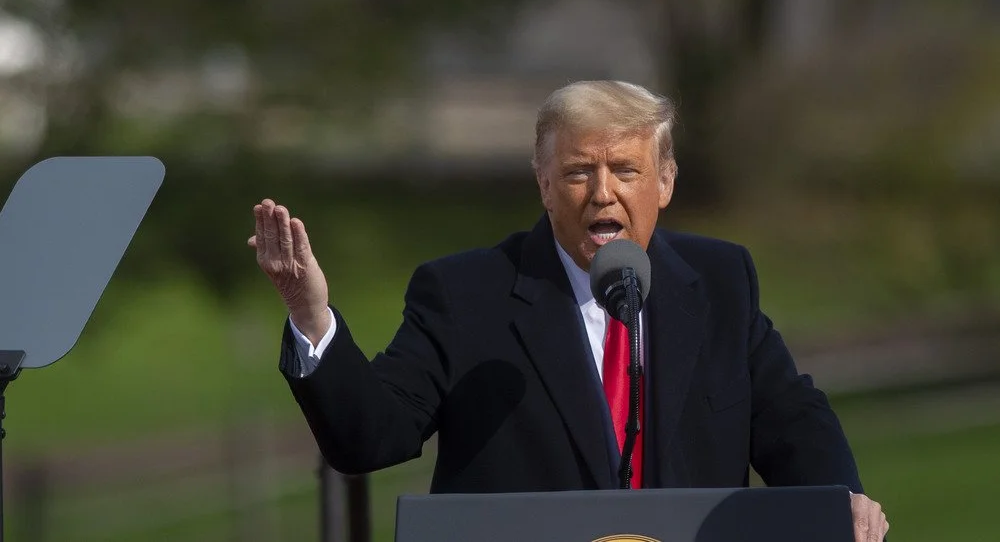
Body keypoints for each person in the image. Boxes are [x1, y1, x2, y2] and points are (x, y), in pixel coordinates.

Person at [249, 80, 889, 541]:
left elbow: (791, 417)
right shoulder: (466, 293)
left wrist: (843, 498)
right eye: (580, 171)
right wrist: (311, 317)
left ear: (665, 182)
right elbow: (370, 436)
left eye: (625, 170)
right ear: (544, 184)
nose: (603, 192)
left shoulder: (720, 281)